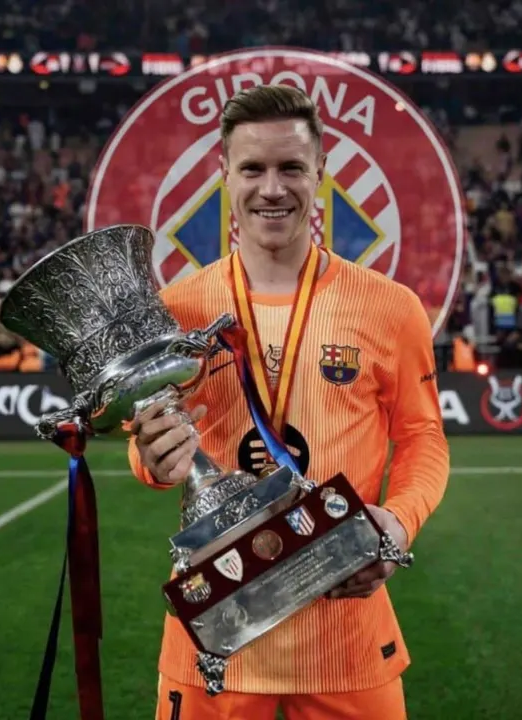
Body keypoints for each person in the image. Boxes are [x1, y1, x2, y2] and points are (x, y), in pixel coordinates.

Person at [127, 84, 451, 720]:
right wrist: (152, 459)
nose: (271, 188)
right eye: (252, 168)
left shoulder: (391, 308)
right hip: (215, 637)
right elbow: (150, 455)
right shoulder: (175, 312)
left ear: (320, 170)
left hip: (345, 633)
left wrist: (398, 522)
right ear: (225, 174)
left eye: (291, 168)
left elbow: (423, 438)